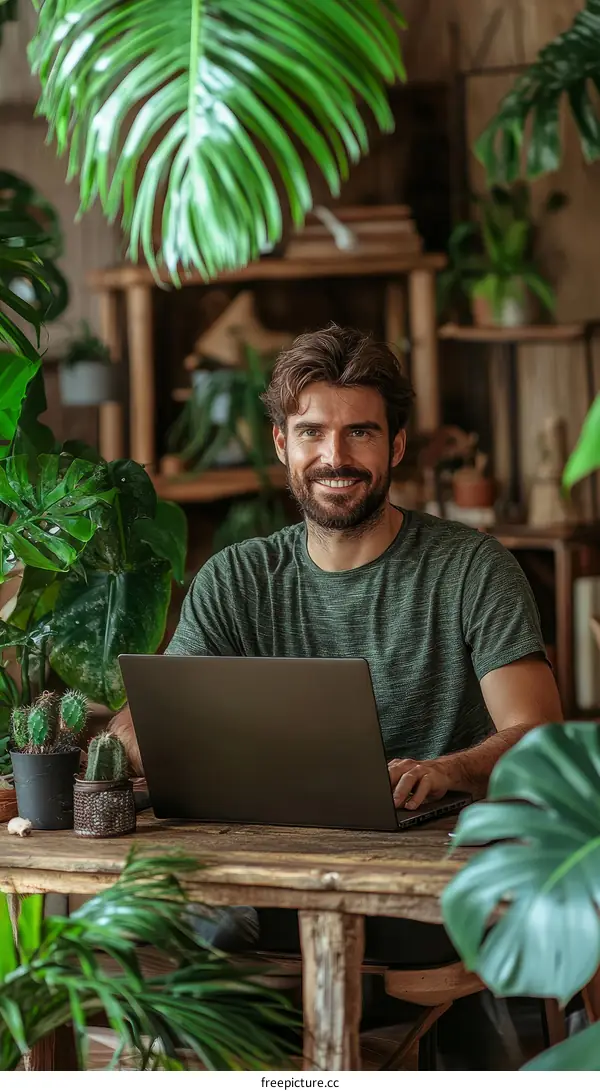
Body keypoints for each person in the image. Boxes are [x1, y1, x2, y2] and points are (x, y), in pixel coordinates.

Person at [110, 324, 561, 972]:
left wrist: (447, 770)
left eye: (361, 432)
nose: (335, 456)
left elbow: (539, 736)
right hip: (266, 873)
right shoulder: (236, 578)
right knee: (165, 936)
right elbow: (158, 718)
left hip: (426, 885)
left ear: (397, 444)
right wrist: (130, 733)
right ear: (281, 444)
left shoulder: (472, 569)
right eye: (312, 432)